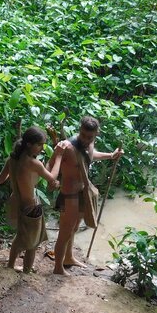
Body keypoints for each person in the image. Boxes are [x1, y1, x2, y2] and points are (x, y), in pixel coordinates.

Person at [52, 116, 122, 275]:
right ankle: (57, 268)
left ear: (96, 134)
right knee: (64, 232)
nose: (85, 139)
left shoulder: (90, 143)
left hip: (82, 192)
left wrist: (111, 155)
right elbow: (51, 166)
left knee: (74, 228)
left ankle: (68, 257)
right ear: (79, 130)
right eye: (83, 135)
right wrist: (53, 180)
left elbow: (90, 155)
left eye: (90, 137)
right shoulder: (67, 147)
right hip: (68, 195)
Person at [0, 126, 67, 273]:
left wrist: (16, 175)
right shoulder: (33, 163)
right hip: (30, 208)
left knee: (20, 236)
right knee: (33, 244)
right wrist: (59, 156)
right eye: (40, 144)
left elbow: (1, 179)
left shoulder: (12, 159)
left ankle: (10, 265)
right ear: (29, 144)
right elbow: (52, 178)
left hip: (15, 203)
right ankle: (27, 271)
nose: (42, 148)